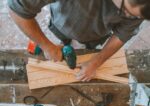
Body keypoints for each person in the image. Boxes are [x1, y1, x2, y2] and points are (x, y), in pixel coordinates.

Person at [7, 0, 150, 81]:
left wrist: (97, 61)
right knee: (63, 36)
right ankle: (66, 39)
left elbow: (123, 32)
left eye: (134, 17)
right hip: (62, 23)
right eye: (126, 12)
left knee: (89, 43)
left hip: (97, 34)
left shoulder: (141, 6)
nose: (127, 17)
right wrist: (47, 46)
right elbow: (17, 10)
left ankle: (84, 41)